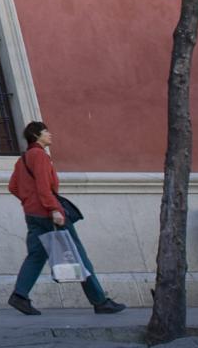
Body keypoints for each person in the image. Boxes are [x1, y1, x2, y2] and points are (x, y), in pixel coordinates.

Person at [8, 121, 126, 315]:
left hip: (32, 215)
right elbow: (44, 187)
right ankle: (100, 301)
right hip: (49, 214)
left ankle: (19, 296)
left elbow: (12, 187)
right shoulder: (40, 156)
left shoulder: (22, 160)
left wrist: (29, 201)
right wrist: (53, 208)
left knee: (36, 256)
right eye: (46, 132)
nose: (50, 135)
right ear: (36, 135)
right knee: (77, 254)